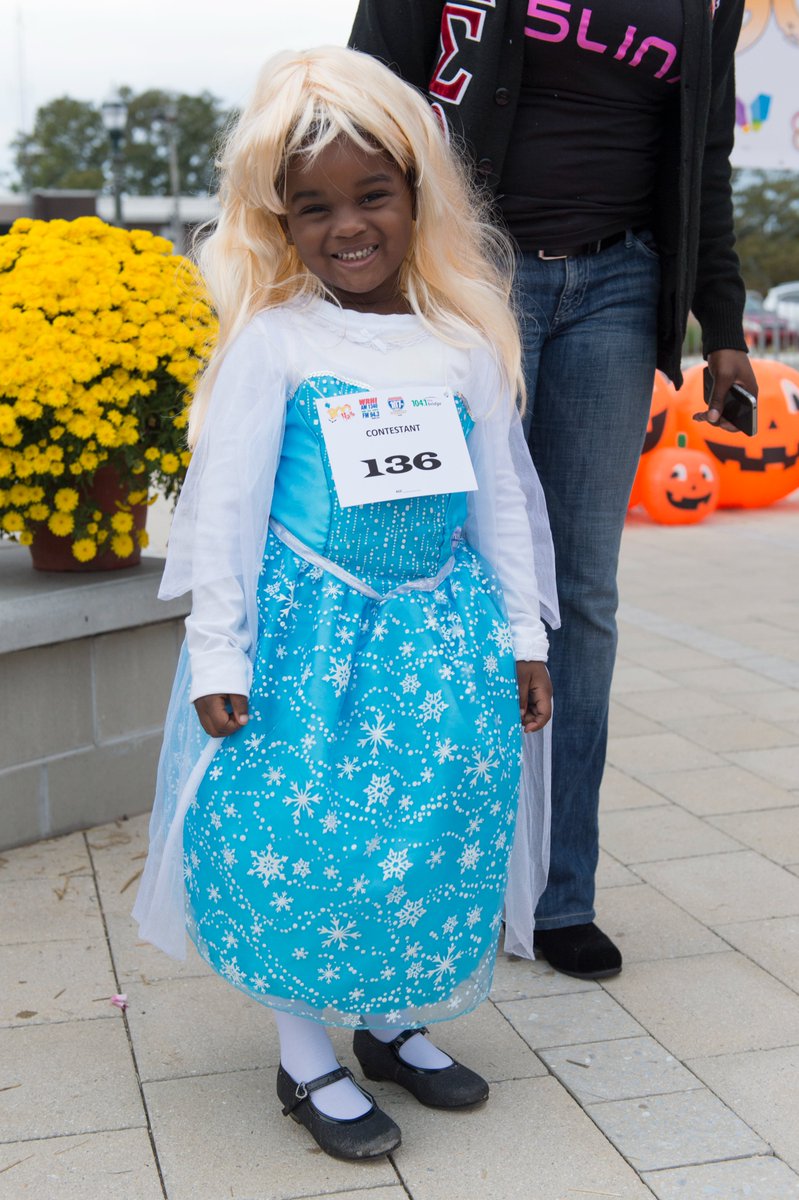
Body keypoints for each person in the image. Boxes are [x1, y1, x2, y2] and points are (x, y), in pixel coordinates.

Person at [133, 46, 559, 1162]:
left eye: (373, 195)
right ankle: (304, 1053)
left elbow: (502, 502)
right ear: (278, 220)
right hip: (306, 643)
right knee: (304, 836)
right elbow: (222, 510)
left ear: (418, 195)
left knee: (420, 833)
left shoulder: (462, 343)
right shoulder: (273, 344)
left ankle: (388, 1021)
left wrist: (522, 632)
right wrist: (220, 652)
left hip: (435, 639)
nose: (348, 226)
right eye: (313, 207)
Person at [350, 0, 757, 980]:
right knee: (437, 575)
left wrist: (726, 325)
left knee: (580, 597)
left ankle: (555, 891)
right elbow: (363, 95)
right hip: (465, 283)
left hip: (618, 287)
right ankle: (427, 872)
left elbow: (701, 161)